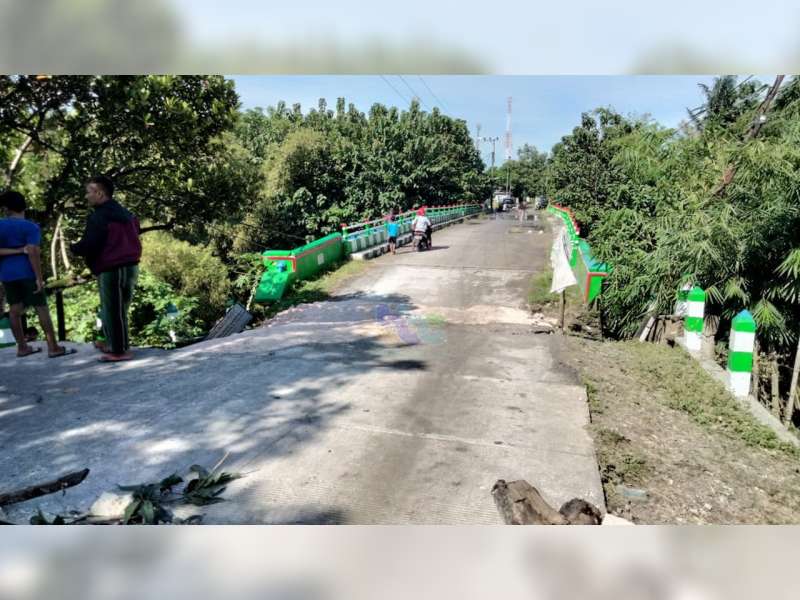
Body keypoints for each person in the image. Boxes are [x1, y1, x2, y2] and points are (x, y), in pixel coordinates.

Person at [70, 175, 142, 362]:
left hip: (112, 268)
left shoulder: (99, 217)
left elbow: (91, 244)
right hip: (131, 266)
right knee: (119, 308)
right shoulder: (126, 213)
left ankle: (119, 350)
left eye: (88, 192)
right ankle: (107, 341)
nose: (86, 196)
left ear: (99, 193)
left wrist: (74, 248)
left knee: (112, 310)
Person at [0, 190, 70, 358]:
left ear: (6, 208)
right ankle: (53, 347)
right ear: (24, 206)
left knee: (14, 310)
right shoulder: (30, 227)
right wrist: (39, 277)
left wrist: (14, 251)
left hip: (7, 275)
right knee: (41, 308)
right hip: (27, 273)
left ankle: (22, 348)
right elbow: (32, 251)